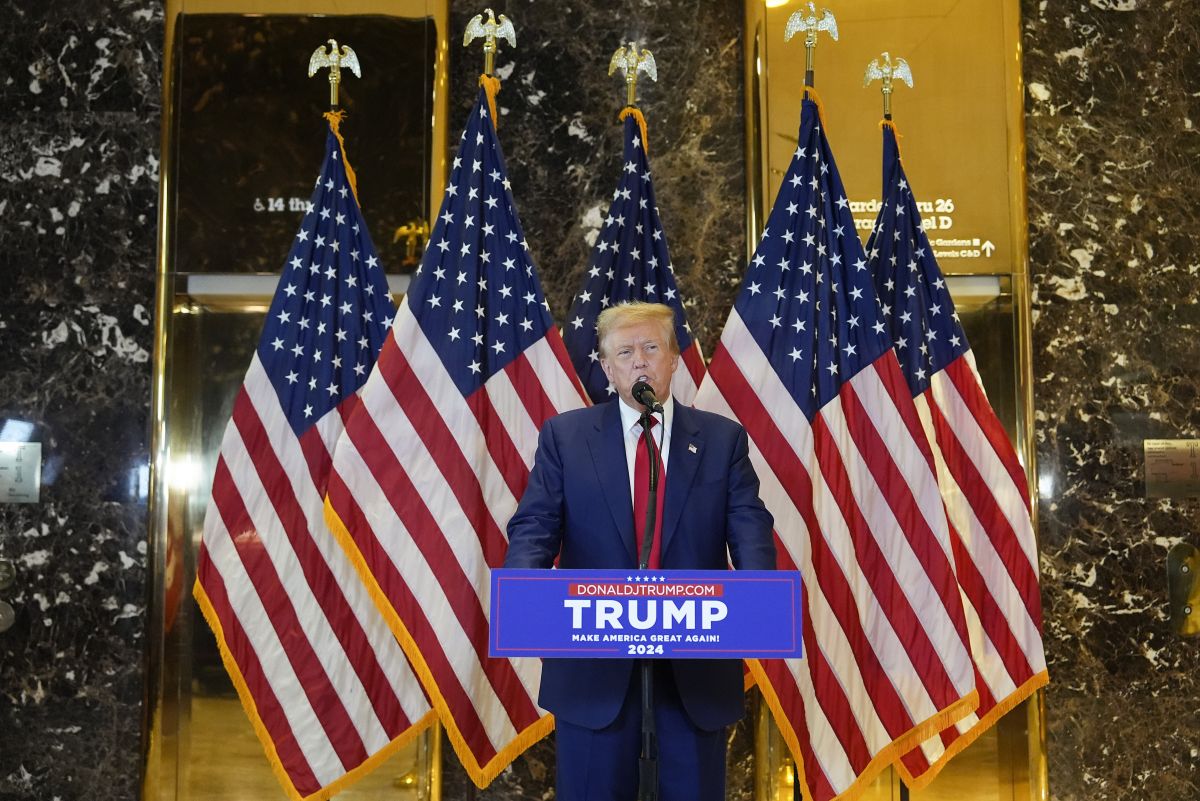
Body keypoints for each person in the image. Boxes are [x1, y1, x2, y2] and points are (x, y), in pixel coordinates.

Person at [504, 301, 776, 801]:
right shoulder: (566, 437)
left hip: (693, 671)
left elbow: (750, 529)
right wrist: (526, 595)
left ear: (674, 359)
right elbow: (535, 526)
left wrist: (757, 602)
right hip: (593, 669)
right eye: (625, 352)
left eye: (651, 347)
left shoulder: (722, 440)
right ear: (607, 369)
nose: (640, 361)